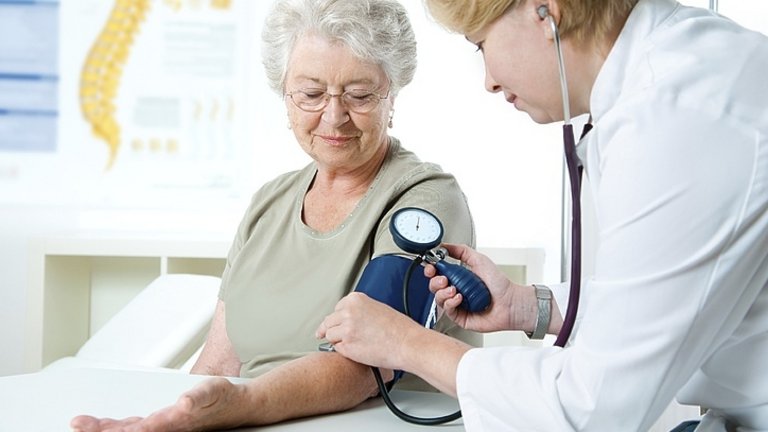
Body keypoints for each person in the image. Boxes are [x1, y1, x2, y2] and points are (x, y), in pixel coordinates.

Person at [317, 0, 768, 431]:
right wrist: (527, 306)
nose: (489, 81)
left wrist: (407, 344)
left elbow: (590, 409)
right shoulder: (684, 69)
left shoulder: (676, 120)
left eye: (481, 44)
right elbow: (666, 296)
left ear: (546, 12)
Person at [70, 0, 480, 430]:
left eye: (359, 95)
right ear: (284, 93)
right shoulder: (269, 203)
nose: (334, 116)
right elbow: (219, 361)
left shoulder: (426, 200)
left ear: (391, 93)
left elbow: (367, 363)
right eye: (311, 94)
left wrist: (238, 405)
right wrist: (167, 420)